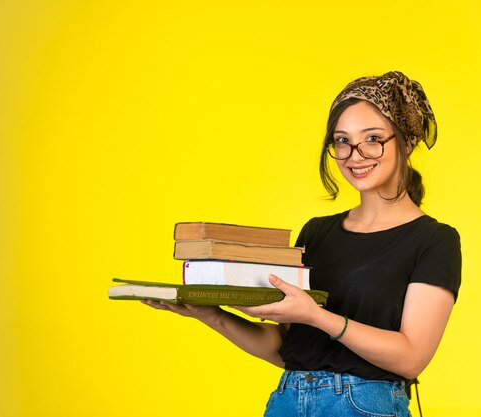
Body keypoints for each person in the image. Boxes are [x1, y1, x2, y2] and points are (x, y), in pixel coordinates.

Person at [143, 71, 462, 417]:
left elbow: (412, 358)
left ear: (407, 142)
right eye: (341, 140)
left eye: (372, 138)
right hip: (288, 402)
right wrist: (213, 316)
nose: (354, 155)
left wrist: (318, 317)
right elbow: (286, 348)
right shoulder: (316, 233)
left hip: (364, 407)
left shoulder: (434, 240)